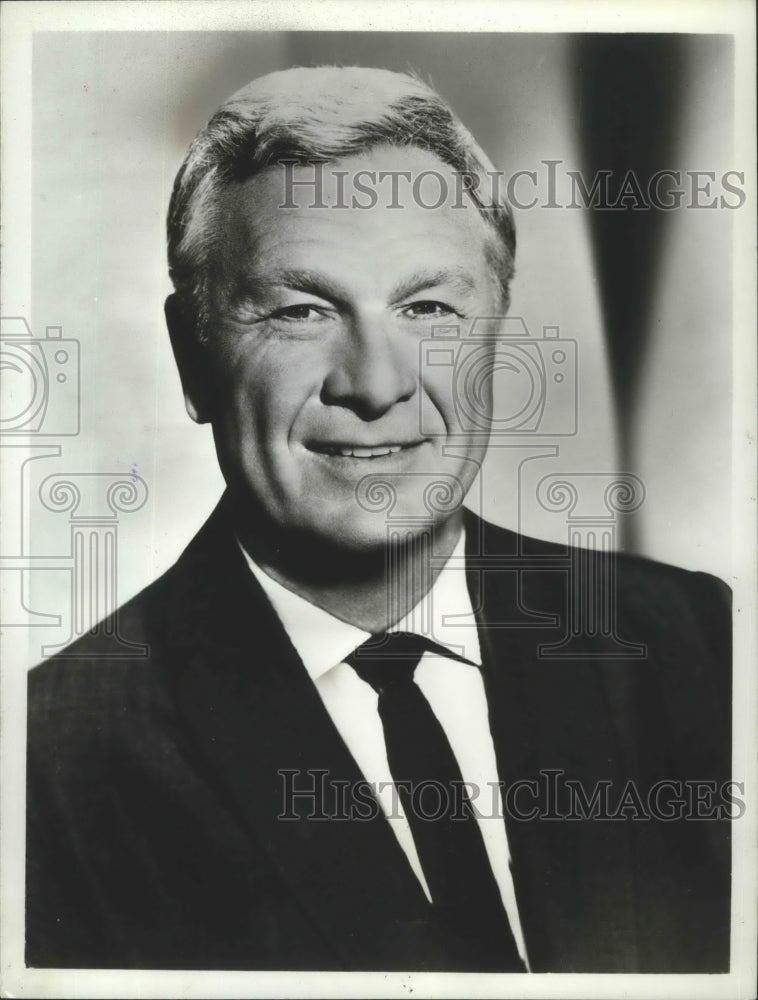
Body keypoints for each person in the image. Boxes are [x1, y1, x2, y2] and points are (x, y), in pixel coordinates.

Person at [26, 66, 731, 973]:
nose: (377, 383)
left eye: (428, 307)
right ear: (191, 356)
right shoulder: (49, 764)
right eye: (301, 309)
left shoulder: (694, 647)